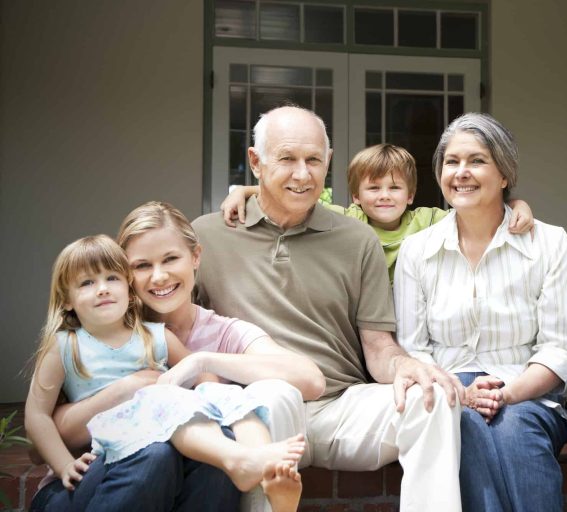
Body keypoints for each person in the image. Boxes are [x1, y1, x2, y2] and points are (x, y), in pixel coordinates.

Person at [192, 105, 465, 512]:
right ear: (255, 162)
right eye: (287, 159)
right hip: (259, 411)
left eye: (314, 160)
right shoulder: (207, 235)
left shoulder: (356, 239)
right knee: (273, 391)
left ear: (328, 163)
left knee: (434, 399)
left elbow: (378, 346)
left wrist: (405, 366)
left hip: (342, 406)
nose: (302, 174)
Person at [31, 204, 326, 512]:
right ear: (126, 273)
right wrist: (129, 388)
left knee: (220, 435)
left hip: (177, 490)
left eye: (171, 258)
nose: (159, 276)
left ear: (195, 257)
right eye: (142, 265)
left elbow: (311, 380)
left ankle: (263, 475)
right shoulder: (93, 331)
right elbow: (39, 445)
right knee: (156, 454)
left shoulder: (218, 333)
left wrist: (202, 361)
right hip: (80, 490)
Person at [395, 112, 567, 512]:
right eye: (451, 161)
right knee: (464, 425)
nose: (461, 172)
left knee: (515, 427)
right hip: (448, 390)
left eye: (477, 160)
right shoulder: (417, 250)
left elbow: (558, 347)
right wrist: (461, 393)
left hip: (527, 389)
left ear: (504, 174)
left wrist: (506, 394)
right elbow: (414, 349)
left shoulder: (549, 243)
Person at [220, 143, 534, 282]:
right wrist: (244, 191)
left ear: (410, 195)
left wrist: (516, 204)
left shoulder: (427, 220)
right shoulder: (347, 219)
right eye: (373, 189)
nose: (384, 196)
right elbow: (294, 199)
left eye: (395, 188)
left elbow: (477, 209)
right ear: (356, 196)